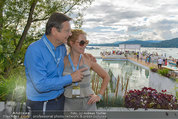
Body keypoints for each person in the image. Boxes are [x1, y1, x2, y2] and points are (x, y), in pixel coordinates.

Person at [24, 12, 94, 116]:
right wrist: (70, 78)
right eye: (67, 31)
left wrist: (83, 54)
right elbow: (40, 85)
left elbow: (70, 57)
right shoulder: (35, 50)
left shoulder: (61, 48)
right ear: (54, 31)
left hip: (60, 101)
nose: (70, 34)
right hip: (42, 104)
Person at [63, 29, 110, 111]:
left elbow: (106, 76)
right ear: (71, 42)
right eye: (82, 43)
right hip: (69, 105)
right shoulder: (63, 61)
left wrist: (99, 95)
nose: (85, 45)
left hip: (88, 104)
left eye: (86, 42)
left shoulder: (88, 59)